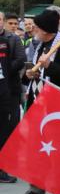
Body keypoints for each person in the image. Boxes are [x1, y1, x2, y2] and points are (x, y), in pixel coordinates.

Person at [14, 8, 60, 194]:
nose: (33, 28)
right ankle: (37, 189)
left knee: (58, 150)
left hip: (58, 106)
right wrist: (30, 74)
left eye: (37, 26)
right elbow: (37, 70)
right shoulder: (40, 46)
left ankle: (59, 190)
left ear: (47, 29)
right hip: (38, 103)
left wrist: (49, 67)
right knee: (37, 148)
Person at [0, 10, 26, 185]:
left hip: (9, 90)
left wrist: (5, 68)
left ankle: (4, 167)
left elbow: (21, 59)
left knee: (7, 128)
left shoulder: (12, 39)